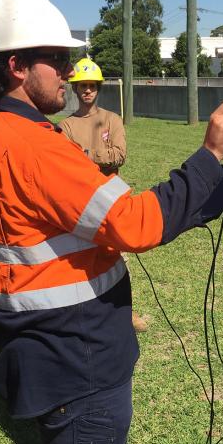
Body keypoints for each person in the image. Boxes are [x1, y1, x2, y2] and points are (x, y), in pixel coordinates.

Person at [0, 0, 223, 444]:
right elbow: (135, 223)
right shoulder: (31, 147)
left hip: (56, 350)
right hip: (77, 359)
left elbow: (95, 219)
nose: (69, 72)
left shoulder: (1, 135)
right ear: (17, 66)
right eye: (57, 59)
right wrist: (209, 156)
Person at [58, 58, 149, 333]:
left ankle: (127, 314)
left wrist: (85, 154)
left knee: (117, 262)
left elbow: (120, 155)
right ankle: (86, 319)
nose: (87, 90)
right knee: (82, 262)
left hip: (111, 201)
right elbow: (67, 165)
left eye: (92, 86)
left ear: (98, 88)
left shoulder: (112, 119)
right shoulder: (66, 126)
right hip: (80, 202)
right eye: (82, 86)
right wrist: (100, 157)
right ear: (75, 89)